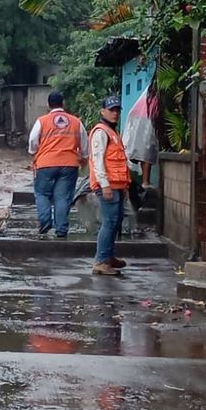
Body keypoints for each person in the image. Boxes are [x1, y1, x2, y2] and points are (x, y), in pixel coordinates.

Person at [27, 91, 88, 239]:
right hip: (69, 165)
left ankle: (45, 223)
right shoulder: (76, 122)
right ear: (64, 104)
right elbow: (85, 147)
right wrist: (84, 158)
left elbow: (33, 142)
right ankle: (61, 230)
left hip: (45, 164)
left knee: (42, 194)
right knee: (63, 198)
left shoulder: (42, 121)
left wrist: (34, 151)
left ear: (48, 105)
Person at [90, 95, 131, 275]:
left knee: (115, 222)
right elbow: (98, 161)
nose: (115, 113)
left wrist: (125, 187)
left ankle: (108, 257)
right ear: (103, 111)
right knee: (109, 222)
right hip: (107, 186)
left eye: (117, 110)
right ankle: (101, 261)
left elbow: (120, 162)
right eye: (111, 110)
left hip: (117, 186)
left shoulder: (112, 132)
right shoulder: (101, 132)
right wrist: (104, 185)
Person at [123, 84, 159, 189]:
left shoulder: (145, 99)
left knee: (144, 154)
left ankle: (143, 181)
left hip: (140, 125)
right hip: (146, 125)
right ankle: (145, 181)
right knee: (146, 154)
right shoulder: (152, 100)